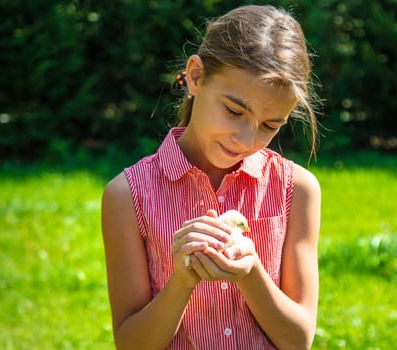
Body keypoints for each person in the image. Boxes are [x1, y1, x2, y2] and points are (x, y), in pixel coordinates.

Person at [101, 4, 321, 349]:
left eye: (270, 126)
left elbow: (298, 341)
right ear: (196, 76)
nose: (246, 139)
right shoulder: (128, 196)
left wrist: (251, 274)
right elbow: (131, 344)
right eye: (234, 111)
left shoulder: (297, 189)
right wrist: (182, 282)